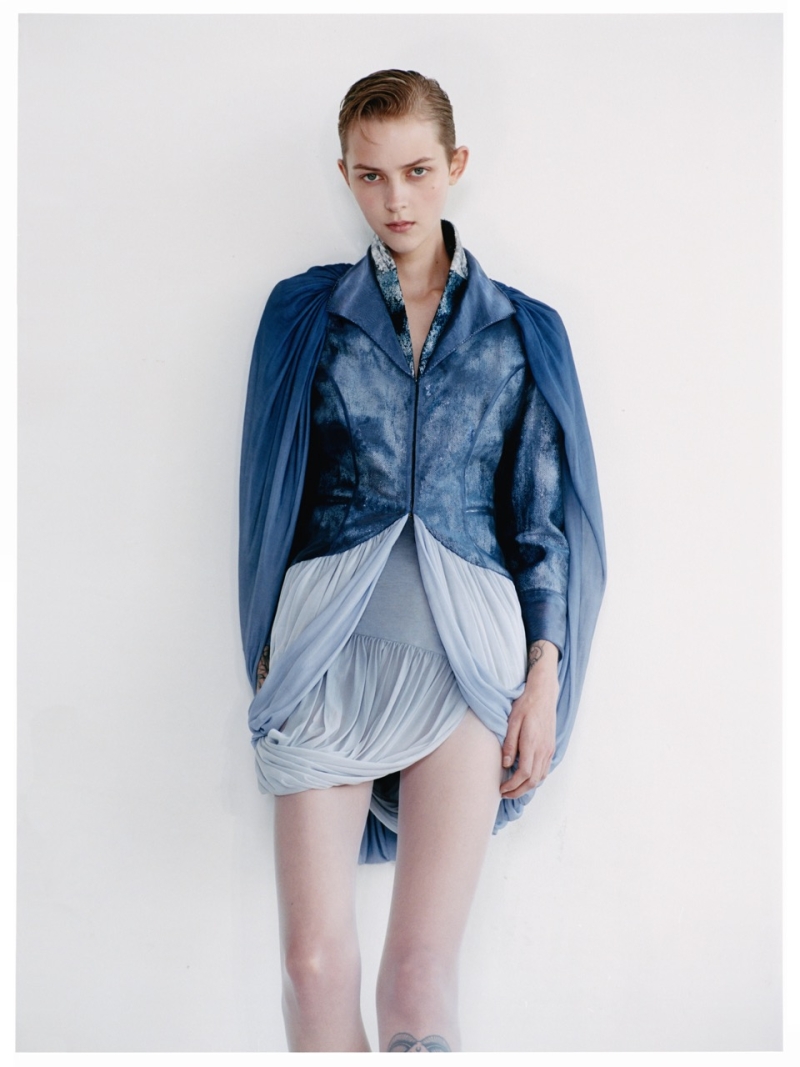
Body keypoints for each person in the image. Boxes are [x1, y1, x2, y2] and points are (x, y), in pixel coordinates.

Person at [238, 70, 606, 1053]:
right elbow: (269, 493)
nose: (394, 198)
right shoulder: (304, 316)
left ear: (455, 165)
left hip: (467, 653)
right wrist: (266, 645)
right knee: (311, 965)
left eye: (414, 171)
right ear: (344, 175)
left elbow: (541, 522)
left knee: (417, 975)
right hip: (324, 646)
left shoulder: (519, 330)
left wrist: (543, 674)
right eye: (370, 175)